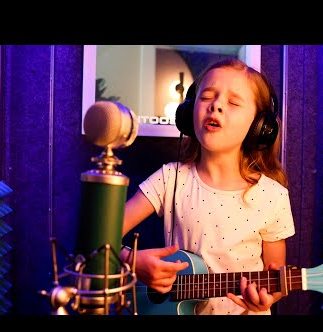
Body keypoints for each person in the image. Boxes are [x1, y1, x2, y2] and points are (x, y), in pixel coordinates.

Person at [120, 57, 295, 315]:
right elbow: (99, 237)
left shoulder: (273, 197)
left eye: (233, 102)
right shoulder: (170, 179)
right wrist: (132, 262)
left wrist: (268, 297)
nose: (216, 106)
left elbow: (276, 280)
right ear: (189, 112)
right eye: (206, 97)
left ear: (260, 127)